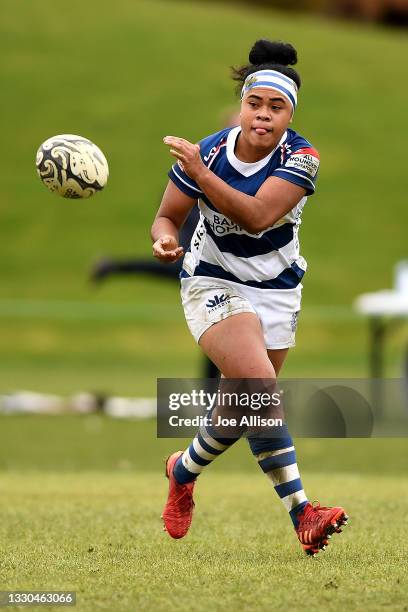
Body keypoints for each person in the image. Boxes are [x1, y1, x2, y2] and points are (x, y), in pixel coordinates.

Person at [151, 39, 348, 556]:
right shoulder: (209, 149)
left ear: (289, 115)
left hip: (278, 290)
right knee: (260, 387)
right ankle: (303, 512)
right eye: (254, 103)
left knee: (244, 409)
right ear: (242, 104)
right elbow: (167, 214)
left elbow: (257, 216)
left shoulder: (302, 158)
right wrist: (165, 239)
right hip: (211, 281)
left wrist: (201, 174)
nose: (263, 115)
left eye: (276, 107)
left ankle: (183, 470)